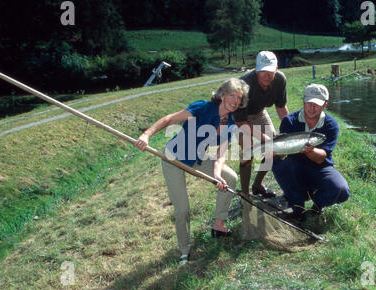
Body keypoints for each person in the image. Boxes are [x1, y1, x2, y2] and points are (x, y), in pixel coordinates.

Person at [134, 78, 249, 265]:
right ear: (222, 95)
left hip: (196, 158)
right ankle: (184, 250)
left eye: (239, 97)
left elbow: (220, 156)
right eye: (232, 95)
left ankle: (219, 224)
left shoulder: (231, 125)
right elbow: (169, 119)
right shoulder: (202, 108)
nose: (235, 100)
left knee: (230, 177)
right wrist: (146, 135)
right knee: (183, 209)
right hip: (173, 158)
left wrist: (217, 174)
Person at [271, 83, 350, 221]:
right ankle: (297, 208)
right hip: (295, 165)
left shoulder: (331, 125)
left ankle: (317, 205)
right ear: (303, 101)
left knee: (342, 191)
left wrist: (310, 150)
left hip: (321, 167)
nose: (312, 108)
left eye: (317, 104)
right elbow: (283, 151)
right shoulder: (289, 121)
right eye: (309, 103)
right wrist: (274, 152)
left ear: (325, 105)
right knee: (276, 163)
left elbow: (321, 158)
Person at [234, 51, 289, 198]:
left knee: (276, 148)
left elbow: (281, 107)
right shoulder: (242, 84)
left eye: (270, 71)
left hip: (258, 113)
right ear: (256, 70)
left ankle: (257, 185)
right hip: (238, 118)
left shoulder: (280, 80)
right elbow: (241, 122)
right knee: (247, 151)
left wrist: (291, 130)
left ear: (276, 69)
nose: (266, 75)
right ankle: (245, 194)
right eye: (262, 71)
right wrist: (264, 137)